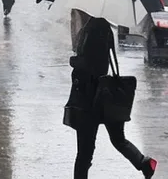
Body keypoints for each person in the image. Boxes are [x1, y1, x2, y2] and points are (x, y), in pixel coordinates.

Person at [66, 17, 157, 179]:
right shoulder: (103, 27)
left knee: (84, 152)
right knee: (118, 139)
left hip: (89, 99)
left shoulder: (93, 29)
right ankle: (144, 163)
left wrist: (74, 61)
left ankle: (144, 164)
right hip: (105, 95)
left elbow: (93, 65)